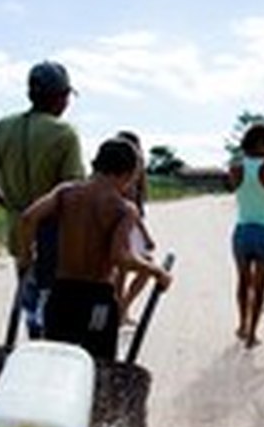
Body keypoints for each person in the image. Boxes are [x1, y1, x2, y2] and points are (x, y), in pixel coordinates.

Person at [16, 139, 172, 359]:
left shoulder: (65, 193)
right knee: (99, 367)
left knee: (56, 362)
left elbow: (28, 218)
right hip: (96, 298)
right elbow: (120, 257)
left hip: (61, 294)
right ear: (128, 173)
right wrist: (156, 271)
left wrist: (26, 256)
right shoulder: (123, 209)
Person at [0, 60, 83, 338]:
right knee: (53, 297)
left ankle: (33, 342)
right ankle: (49, 351)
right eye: (66, 95)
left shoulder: (4, 127)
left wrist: (3, 200)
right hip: (53, 230)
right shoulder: (64, 133)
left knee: (28, 292)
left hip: (17, 226)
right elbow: (72, 190)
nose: (67, 102)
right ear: (59, 97)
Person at [228, 123, 264, 348]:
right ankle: (252, 334)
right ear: (262, 143)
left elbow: (239, 191)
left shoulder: (235, 168)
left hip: (242, 231)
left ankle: (242, 325)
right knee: (260, 287)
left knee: (243, 282)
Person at [114, 130, 156, 325]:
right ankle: (121, 310)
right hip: (127, 226)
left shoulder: (132, 173)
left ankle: (122, 310)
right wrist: (146, 235)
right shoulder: (128, 175)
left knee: (123, 271)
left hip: (129, 225)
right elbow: (132, 210)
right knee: (138, 267)